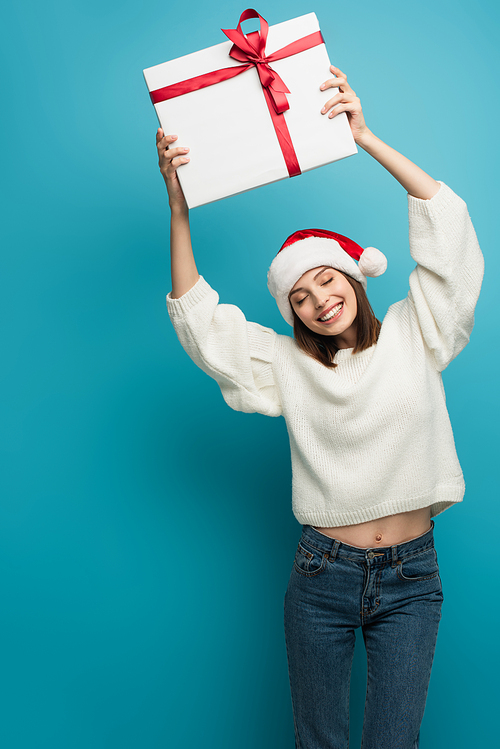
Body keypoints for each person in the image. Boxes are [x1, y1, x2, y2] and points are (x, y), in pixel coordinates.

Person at [155, 66, 484, 749]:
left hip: (413, 576)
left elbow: (449, 227)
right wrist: (178, 207)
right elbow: (200, 323)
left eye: (326, 279)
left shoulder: (415, 329)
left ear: (354, 279)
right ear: (292, 312)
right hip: (321, 577)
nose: (316, 300)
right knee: (319, 744)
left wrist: (365, 137)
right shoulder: (287, 363)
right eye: (298, 296)